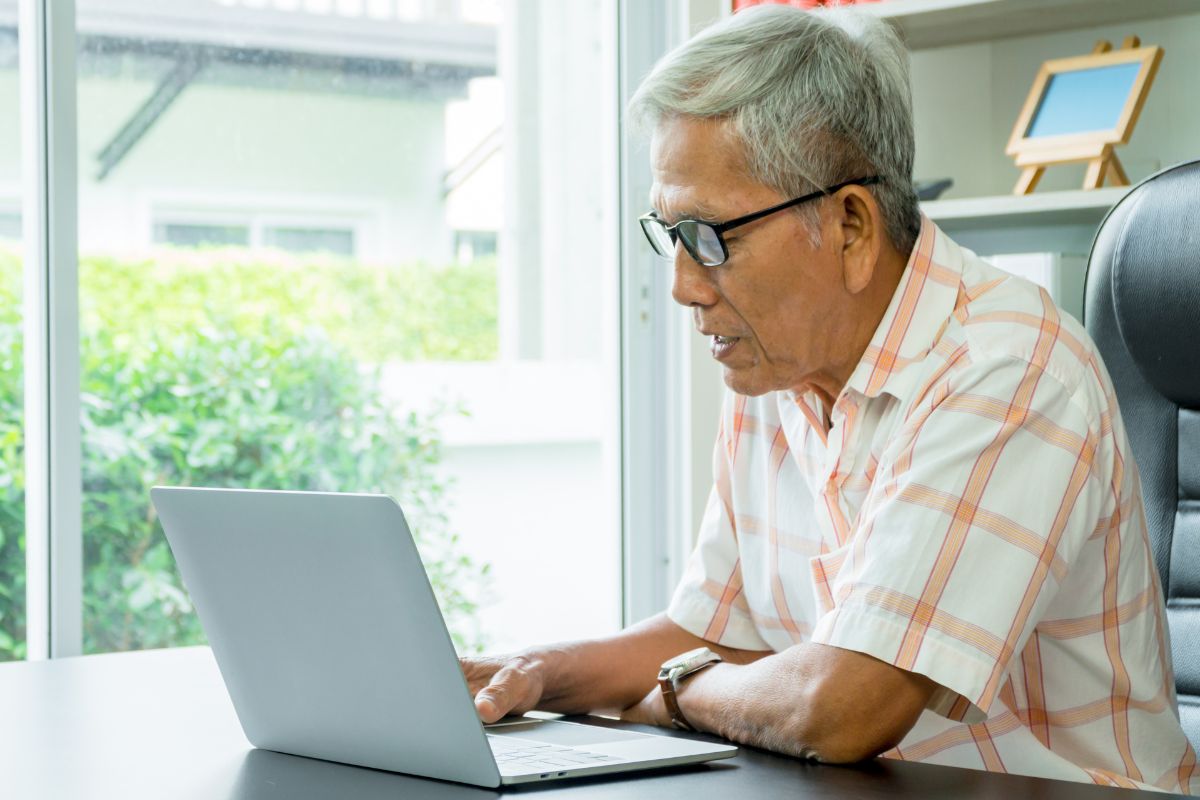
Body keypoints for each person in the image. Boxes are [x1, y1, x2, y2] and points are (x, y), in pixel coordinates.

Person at [461, 5, 1198, 792]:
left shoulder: (1008, 367)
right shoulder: (773, 367)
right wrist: (533, 671)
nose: (681, 286)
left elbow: (843, 706)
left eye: (709, 238)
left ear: (849, 225)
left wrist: (678, 695)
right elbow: (713, 633)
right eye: (668, 234)